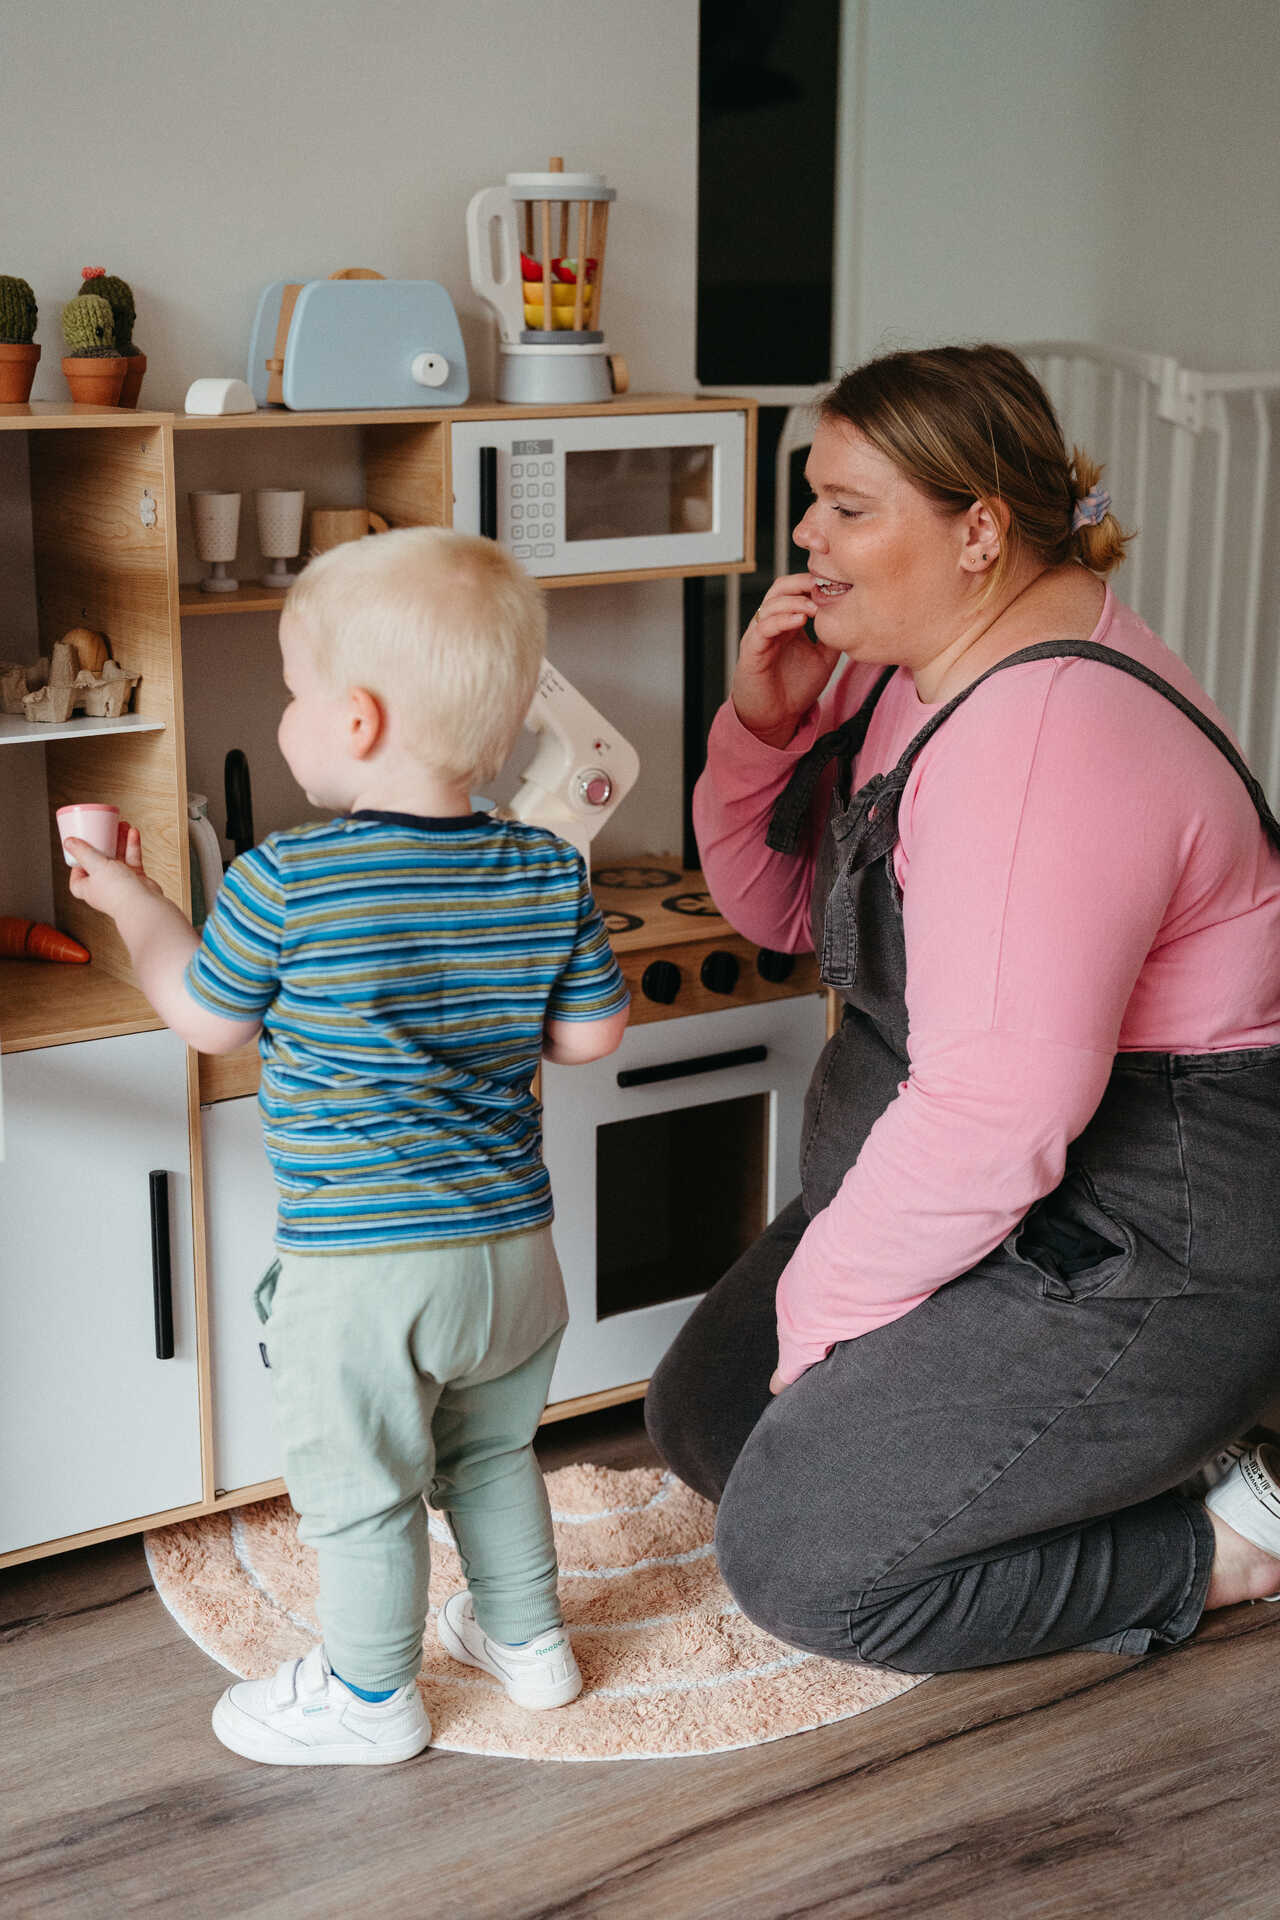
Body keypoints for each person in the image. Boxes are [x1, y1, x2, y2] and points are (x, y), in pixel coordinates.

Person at [644, 343, 1280, 1674]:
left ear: (979, 530)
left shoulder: (1046, 739)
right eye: (810, 497)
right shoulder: (912, 670)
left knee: (800, 1562)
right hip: (1027, 1199)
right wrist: (758, 733)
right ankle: (1092, 1453)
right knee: (708, 1418)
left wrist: (826, 1313)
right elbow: (781, 919)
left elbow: (999, 1113)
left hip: (1145, 1237)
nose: (807, 535)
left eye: (849, 505)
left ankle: (1226, 1538)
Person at [68, 527, 630, 1764]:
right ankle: (529, 1647)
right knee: (489, 1457)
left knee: (362, 1492)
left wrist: (141, 910)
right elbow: (589, 1036)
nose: (285, 713)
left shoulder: (289, 881)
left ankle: (371, 1701)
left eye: (289, 688)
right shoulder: (547, 869)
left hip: (364, 1267)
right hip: (511, 1254)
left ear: (360, 721)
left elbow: (206, 1017)